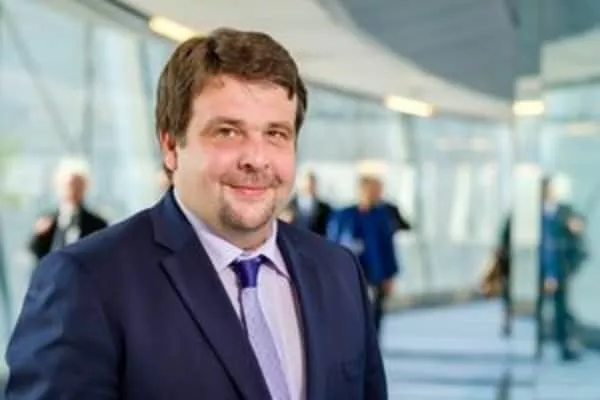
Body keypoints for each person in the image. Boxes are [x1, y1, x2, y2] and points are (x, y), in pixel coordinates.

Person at [5, 28, 386, 400]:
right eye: (228, 132)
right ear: (171, 146)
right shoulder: (88, 282)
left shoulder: (338, 270)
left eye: (275, 134)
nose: (256, 159)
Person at [328, 175, 399, 337]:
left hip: (375, 274)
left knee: (374, 316)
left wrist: (390, 275)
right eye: (374, 190)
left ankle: (370, 346)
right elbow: (332, 244)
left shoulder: (381, 217)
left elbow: (387, 247)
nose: (378, 194)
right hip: (348, 274)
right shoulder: (344, 215)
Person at [536, 176, 586, 361]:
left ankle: (564, 346)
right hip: (540, 268)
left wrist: (576, 227)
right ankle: (537, 346)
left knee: (561, 309)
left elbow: (578, 227)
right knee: (539, 310)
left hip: (560, 268)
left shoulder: (564, 211)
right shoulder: (533, 213)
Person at [28, 158, 107, 261]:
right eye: (69, 185)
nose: (72, 190)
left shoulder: (97, 224)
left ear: (84, 187)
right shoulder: (47, 221)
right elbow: (36, 254)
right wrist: (39, 235)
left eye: (78, 185)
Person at [287, 171, 332, 236]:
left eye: (312, 183)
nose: (309, 185)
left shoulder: (324, 207)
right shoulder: (289, 204)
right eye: (306, 182)